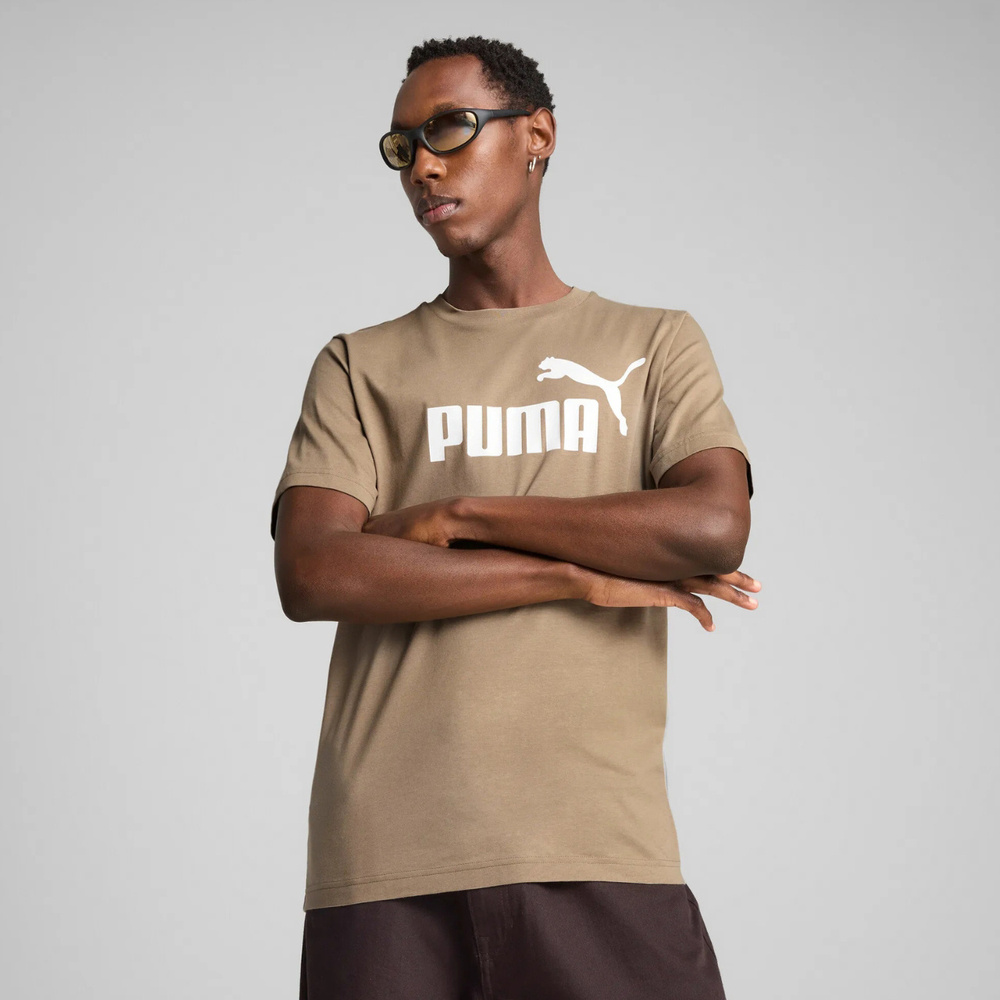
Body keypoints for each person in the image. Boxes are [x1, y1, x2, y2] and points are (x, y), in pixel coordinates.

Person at [271, 34, 761, 1000]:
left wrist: (458, 513)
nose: (423, 166)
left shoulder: (652, 345)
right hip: (386, 856)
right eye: (403, 145)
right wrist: (570, 574)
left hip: (596, 843)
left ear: (537, 135)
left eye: (450, 128)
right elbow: (316, 572)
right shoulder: (359, 364)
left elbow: (710, 527)